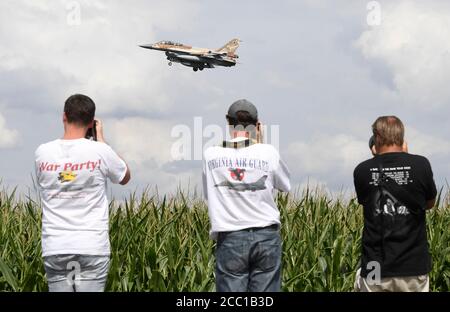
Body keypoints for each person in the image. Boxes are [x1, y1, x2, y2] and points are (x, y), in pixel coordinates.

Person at [35, 94, 131, 292]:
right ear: (91, 122)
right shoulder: (100, 151)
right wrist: (102, 141)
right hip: (91, 245)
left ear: (64, 116)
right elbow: (124, 176)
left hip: (56, 245)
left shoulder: (42, 153)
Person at [202, 99, 291, 292]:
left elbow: (209, 194)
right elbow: (285, 185)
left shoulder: (211, 154)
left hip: (230, 236)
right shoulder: (268, 152)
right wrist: (260, 142)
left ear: (228, 122)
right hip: (265, 236)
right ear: (257, 124)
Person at [353, 116, 437, 292]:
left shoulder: (362, 170)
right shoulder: (421, 165)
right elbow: (429, 203)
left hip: (375, 266)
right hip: (413, 266)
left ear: (376, 137)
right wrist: (405, 158)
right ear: (402, 136)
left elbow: (367, 203)